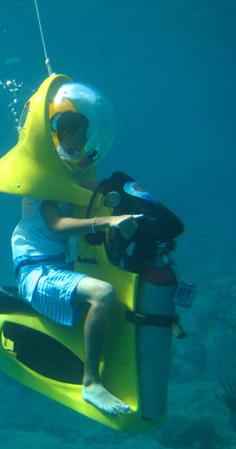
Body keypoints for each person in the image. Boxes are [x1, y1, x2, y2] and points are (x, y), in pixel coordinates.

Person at [12, 111, 141, 415]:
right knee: (104, 293)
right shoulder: (44, 176)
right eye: (81, 134)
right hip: (36, 272)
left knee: (117, 292)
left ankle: (100, 366)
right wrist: (110, 221)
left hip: (57, 264)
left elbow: (87, 184)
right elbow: (56, 225)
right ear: (67, 134)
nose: (85, 140)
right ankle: (91, 383)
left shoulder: (62, 170)